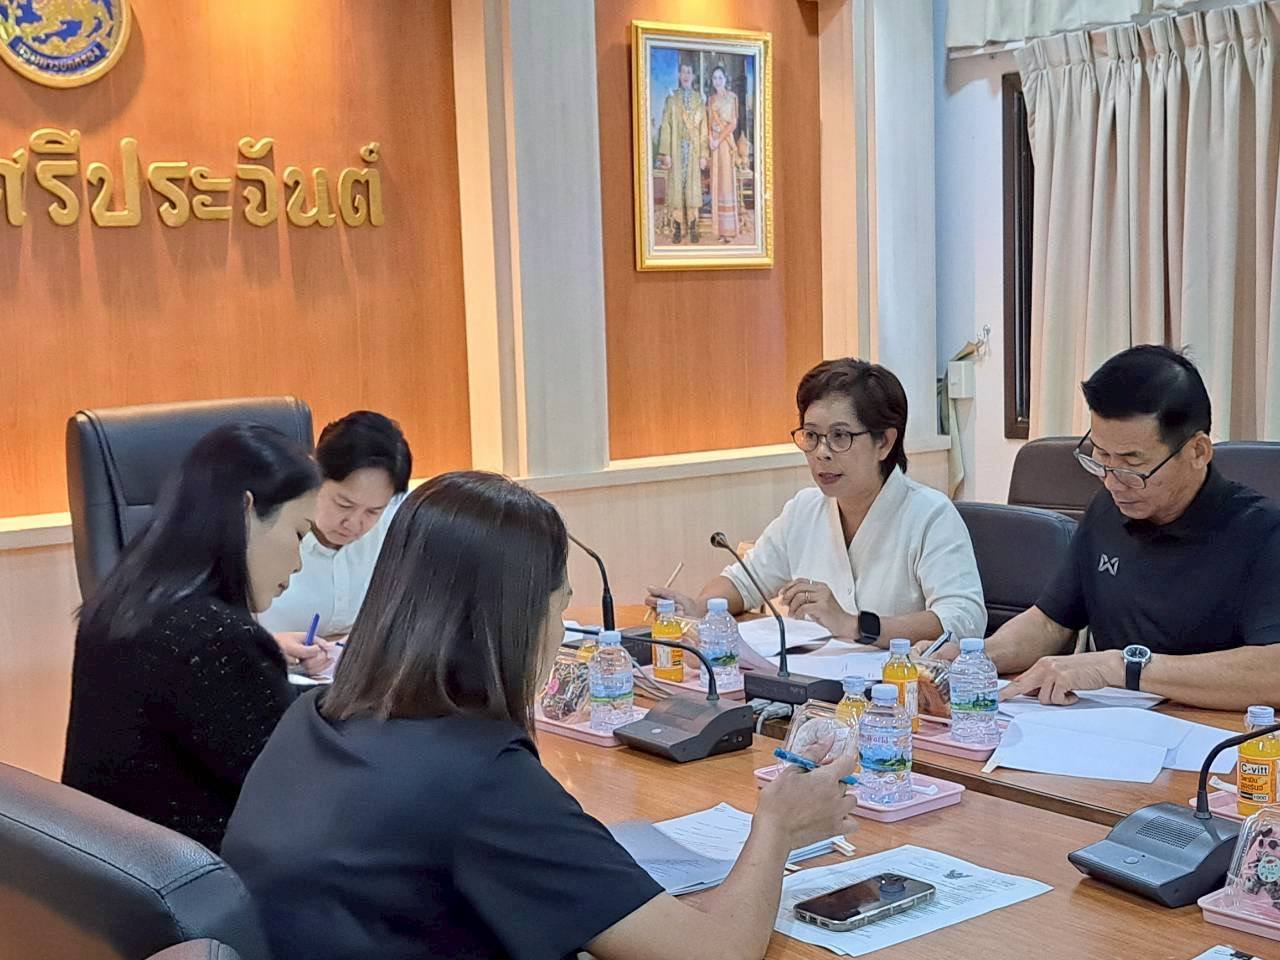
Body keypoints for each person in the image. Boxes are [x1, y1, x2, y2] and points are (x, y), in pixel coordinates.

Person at [223, 472, 857, 960]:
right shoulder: (482, 781)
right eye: (559, 608)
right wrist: (779, 826)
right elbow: (714, 953)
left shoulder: (314, 715)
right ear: (517, 620)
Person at [920, 345, 1280, 711]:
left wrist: (1123, 667)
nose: (1112, 481)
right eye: (1101, 457)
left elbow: (1274, 672)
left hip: (1216, 733)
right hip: (1110, 727)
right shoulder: (1109, 508)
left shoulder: (1262, 532)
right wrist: (973, 658)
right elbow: (1050, 623)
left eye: (1132, 464)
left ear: (1198, 452)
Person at [62, 424, 320, 852]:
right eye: (298, 534)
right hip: (203, 878)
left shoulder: (121, 605)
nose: (297, 563)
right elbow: (296, 796)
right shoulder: (218, 639)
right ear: (246, 510)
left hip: (115, 870)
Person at [648, 359, 986, 647]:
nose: (821, 452)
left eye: (840, 436)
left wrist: (854, 625)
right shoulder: (804, 509)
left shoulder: (930, 515)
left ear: (884, 442)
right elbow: (743, 581)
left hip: (898, 691)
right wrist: (699, 608)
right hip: (812, 687)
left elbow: (963, 620)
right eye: (811, 436)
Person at [258, 410, 412, 675]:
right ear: (313, 472)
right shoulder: (262, 527)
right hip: (273, 680)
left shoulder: (399, 525)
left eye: (373, 511)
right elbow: (214, 631)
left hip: (361, 684)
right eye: (343, 504)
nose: (353, 523)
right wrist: (269, 647)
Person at [656, 60, 709, 245]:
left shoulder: (699, 100)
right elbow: (666, 126)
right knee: (677, 189)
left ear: (693, 76)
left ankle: (693, 227)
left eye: (689, 72)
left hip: (693, 151)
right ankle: (678, 228)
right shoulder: (671, 100)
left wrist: (703, 154)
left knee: (693, 189)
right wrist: (666, 153)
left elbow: (703, 129)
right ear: (679, 75)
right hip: (677, 150)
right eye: (683, 72)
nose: (686, 75)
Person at [707, 65, 739, 243]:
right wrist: (711, 139)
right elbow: (708, 122)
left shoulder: (732, 97)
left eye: (720, 77)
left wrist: (719, 140)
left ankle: (729, 231)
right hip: (715, 146)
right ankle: (719, 230)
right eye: (714, 78)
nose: (717, 81)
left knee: (726, 182)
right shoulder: (711, 99)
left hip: (726, 143)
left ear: (725, 79)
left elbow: (733, 124)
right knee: (717, 183)